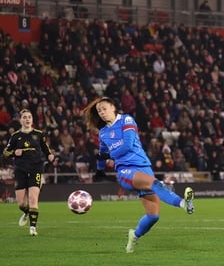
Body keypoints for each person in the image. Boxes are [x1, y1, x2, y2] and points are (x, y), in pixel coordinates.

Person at [82, 97, 195, 253]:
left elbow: (127, 145)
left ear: (113, 107)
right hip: (126, 171)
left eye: (104, 108)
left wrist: (109, 155)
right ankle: (184, 203)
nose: (101, 112)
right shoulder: (103, 133)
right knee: (154, 184)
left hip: (144, 167)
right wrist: (99, 171)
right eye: (99, 110)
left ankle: (133, 236)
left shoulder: (126, 120)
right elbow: (102, 153)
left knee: (153, 216)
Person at [2, 109, 55, 236]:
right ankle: (26, 212)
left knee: (33, 198)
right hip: (20, 170)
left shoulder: (39, 134)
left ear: (32, 119)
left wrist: (50, 155)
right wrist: (14, 152)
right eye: (24, 117)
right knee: (21, 203)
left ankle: (32, 228)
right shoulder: (15, 136)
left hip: (36, 168)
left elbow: (45, 148)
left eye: (29, 117)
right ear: (21, 120)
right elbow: (5, 153)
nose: (27, 119)